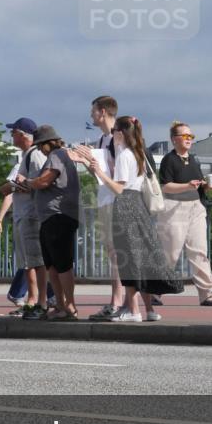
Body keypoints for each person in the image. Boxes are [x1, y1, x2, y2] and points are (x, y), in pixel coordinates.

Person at [87, 116, 184, 322]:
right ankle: (148, 309)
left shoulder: (123, 155)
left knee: (128, 259)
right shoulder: (139, 152)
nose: (112, 136)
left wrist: (99, 173)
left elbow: (119, 188)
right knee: (141, 257)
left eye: (114, 132)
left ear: (120, 133)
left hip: (125, 206)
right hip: (139, 205)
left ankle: (133, 311)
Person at [74, 95, 128, 321]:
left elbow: (121, 172)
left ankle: (120, 302)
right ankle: (118, 301)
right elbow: (100, 172)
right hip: (105, 198)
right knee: (112, 253)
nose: (91, 115)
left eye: (93, 111)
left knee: (118, 253)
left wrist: (94, 163)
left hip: (117, 199)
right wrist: (87, 161)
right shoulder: (103, 139)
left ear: (103, 111)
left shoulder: (118, 136)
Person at [157, 121, 212, 306]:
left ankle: (206, 293)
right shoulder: (169, 160)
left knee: (199, 251)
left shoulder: (193, 160)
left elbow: (199, 186)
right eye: (185, 136)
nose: (189, 139)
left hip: (195, 208)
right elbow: (165, 186)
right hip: (174, 208)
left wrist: (207, 186)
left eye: (191, 136)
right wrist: (187, 185)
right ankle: (155, 291)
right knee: (170, 253)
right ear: (174, 139)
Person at [0, 118, 49, 319]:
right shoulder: (26, 155)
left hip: (32, 215)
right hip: (23, 215)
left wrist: (14, 186)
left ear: (23, 134)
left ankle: (39, 301)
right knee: (28, 262)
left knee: (36, 262)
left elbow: (39, 184)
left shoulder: (35, 155)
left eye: (13, 132)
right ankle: (32, 300)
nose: (11, 136)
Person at [22, 125, 81, 320]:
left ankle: (69, 306)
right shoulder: (58, 156)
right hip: (50, 217)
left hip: (58, 216)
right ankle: (61, 305)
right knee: (52, 266)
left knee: (62, 263)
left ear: (49, 143)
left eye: (40, 145)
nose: (39, 149)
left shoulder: (57, 155)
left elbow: (44, 181)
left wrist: (28, 181)